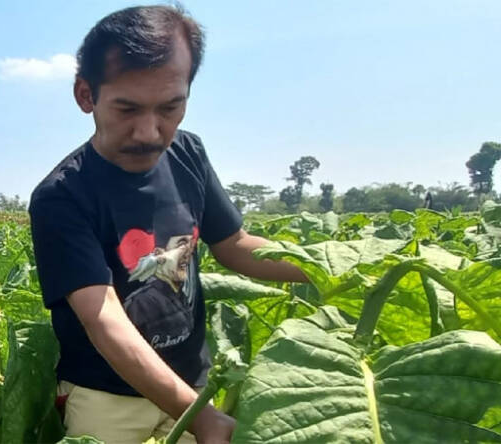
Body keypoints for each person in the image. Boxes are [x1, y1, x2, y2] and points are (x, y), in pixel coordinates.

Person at [28, 5, 306, 444]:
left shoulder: (188, 154)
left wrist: (328, 265)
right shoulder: (63, 196)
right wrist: (200, 418)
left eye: (170, 108)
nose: (149, 131)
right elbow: (104, 321)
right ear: (86, 96)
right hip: (107, 397)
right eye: (127, 109)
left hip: (195, 381)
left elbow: (234, 244)